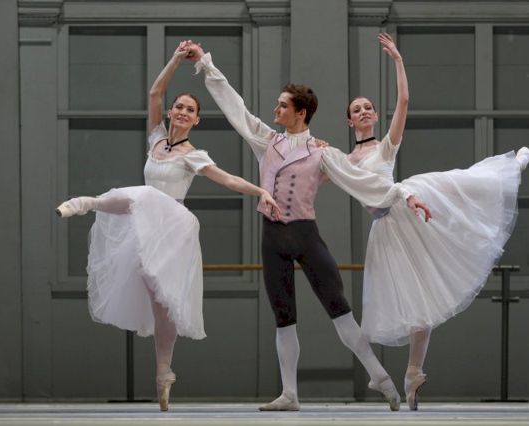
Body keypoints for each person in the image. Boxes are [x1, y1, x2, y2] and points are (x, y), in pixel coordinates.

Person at [183, 40, 431, 411]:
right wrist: (205, 62)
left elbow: (363, 181)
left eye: (283, 105)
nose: (276, 109)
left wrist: (405, 194)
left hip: (306, 236)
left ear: (300, 113)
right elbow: (234, 105)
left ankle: (380, 377)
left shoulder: (323, 152)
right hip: (272, 238)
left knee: (339, 310)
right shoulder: (267, 141)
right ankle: (290, 394)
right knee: (284, 318)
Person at [55, 41, 281, 412]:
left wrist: (260, 191)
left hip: (171, 228)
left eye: (190, 110)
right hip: (144, 222)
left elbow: (227, 179)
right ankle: (89, 203)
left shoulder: (194, 156)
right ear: (172, 112)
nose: (182, 112)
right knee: (142, 202)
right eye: (179, 107)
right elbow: (155, 93)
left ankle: (164, 371)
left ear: (197, 120)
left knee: (165, 304)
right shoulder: (156, 140)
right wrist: (176, 59)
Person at [345, 33, 529, 410]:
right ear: (350, 121)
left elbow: (404, 101)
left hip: (408, 210)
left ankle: (507, 171)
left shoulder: (386, 146)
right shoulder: (346, 161)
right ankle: (412, 374)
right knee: (418, 299)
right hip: (386, 229)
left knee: (456, 182)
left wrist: (398, 61)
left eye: (368, 107)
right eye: (357, 109)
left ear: (375, 116)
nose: (364, 111)